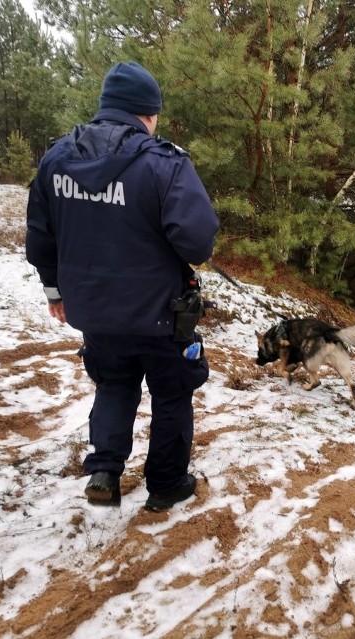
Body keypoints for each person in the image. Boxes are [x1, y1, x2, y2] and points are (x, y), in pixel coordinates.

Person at [26, 61, 220, 511]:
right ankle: (168, 484)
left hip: (93, 311)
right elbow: (197, 241)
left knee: (114, 384)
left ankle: (105, 471)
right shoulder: (165, 163)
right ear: (146, 114)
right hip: (160, 313)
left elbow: (41, 237)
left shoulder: (56, 160)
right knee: (172, 392)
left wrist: (54, 291)